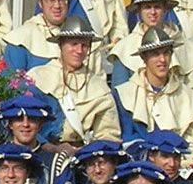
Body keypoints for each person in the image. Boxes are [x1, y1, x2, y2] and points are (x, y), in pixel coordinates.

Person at [28, 14, 123, 146]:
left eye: (84, 45)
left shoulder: (99, 87)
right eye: (73, 44)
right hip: (41, 148)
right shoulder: (37, 76)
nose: (79, 50)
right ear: (61, 45)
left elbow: (108, 134)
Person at [113, 26, 193, 148]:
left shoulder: (188, 96)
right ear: (144, 58)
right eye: (155, 54)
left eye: (166, 53)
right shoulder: (125, 94)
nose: (162, 60)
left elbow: (192, 139)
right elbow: (128, 137)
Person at [107, 0, 193, 85]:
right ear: (139, 11)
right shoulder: (124, 47)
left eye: (157, 7)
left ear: (165, 10)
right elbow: (120, 91)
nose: (153, 12)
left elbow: (192, 88)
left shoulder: (183, 44)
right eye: (147, 7)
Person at [0, 0, 76, 75]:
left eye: (62, 0)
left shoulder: (79, 34)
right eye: (51, 0)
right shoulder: (21, 37)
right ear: (40, 2)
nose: (57, 5)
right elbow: (11, 84)